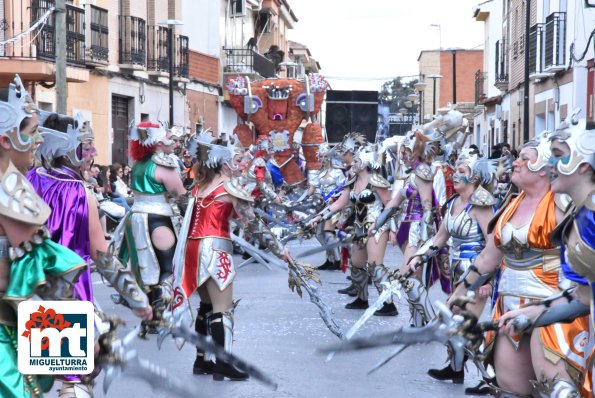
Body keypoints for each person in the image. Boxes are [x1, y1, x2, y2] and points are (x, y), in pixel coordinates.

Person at [448, 131, 590, 397]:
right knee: (510, 387)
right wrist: (461, 289)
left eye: (524, 158)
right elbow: (489, 257)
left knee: (555, 388)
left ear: (543, 169)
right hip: (509, 306)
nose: (515, 162)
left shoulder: (564, 204)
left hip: (552, 305)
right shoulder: (510, 204)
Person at [29, 112, 152, 397]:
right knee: (74, 380)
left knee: (36, 379)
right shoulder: (81, 193)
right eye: (85, 147)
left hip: (31, 286)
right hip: (70, 290)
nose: (92, 153)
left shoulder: (27, 181)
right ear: (66, 149)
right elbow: (102, 255)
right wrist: (136, 298)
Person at [171, 131, 287, 380]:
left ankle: (202, 361)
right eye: (232, 159)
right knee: (223, 309)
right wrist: (279, 249)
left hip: (193, 248)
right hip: (215, 248)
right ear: (222, 162)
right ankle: (224, 362)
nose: (236, 164)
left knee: (206, 306)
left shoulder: (198, 188)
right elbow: (252, 223)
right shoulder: (228, 187)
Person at [0, 75, 87, 398]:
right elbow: (46, 276)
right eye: (32, 132)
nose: (39, 141)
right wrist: (92, 337)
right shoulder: (9, 188)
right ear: (7, 139)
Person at [497, 115, 595, 397]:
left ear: (583, 163)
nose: (549, 165)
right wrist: (533, 314)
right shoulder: (581, 217)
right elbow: (584, 297)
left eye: (557, 156)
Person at [407, 148, 502, 393]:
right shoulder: (452, 202)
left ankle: (490, 377)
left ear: (475, 177)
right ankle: (456, 368)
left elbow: (493, 243)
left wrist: (487, 279)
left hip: (476, 272)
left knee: (463, 324)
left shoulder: (481, 203)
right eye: (455, 170)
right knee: (453, 320)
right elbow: (440, 237)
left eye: (462, 171)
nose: (455, 175)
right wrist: (420, 256)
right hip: (457, 269)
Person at [311, 133, 397, 316]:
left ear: (365, 160)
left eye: (357, 159)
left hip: (376, 227)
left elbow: (390, 204)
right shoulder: (352, 182)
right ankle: (362, 298)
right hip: (359, 227)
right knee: (357, 263)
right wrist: (318, 217)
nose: (353, 163)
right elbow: (338, 204)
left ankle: (388, 304)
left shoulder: (376, 180)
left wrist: (390, 228)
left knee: (375, 265)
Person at [118, 121, 185, 336]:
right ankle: (159, 317)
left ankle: (149, 318)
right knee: (166, 267)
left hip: (136, 217)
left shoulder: (138, 164)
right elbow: (179, 192)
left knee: (145, 267)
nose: (171, 139)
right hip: (158, 218)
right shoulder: (163, 164)